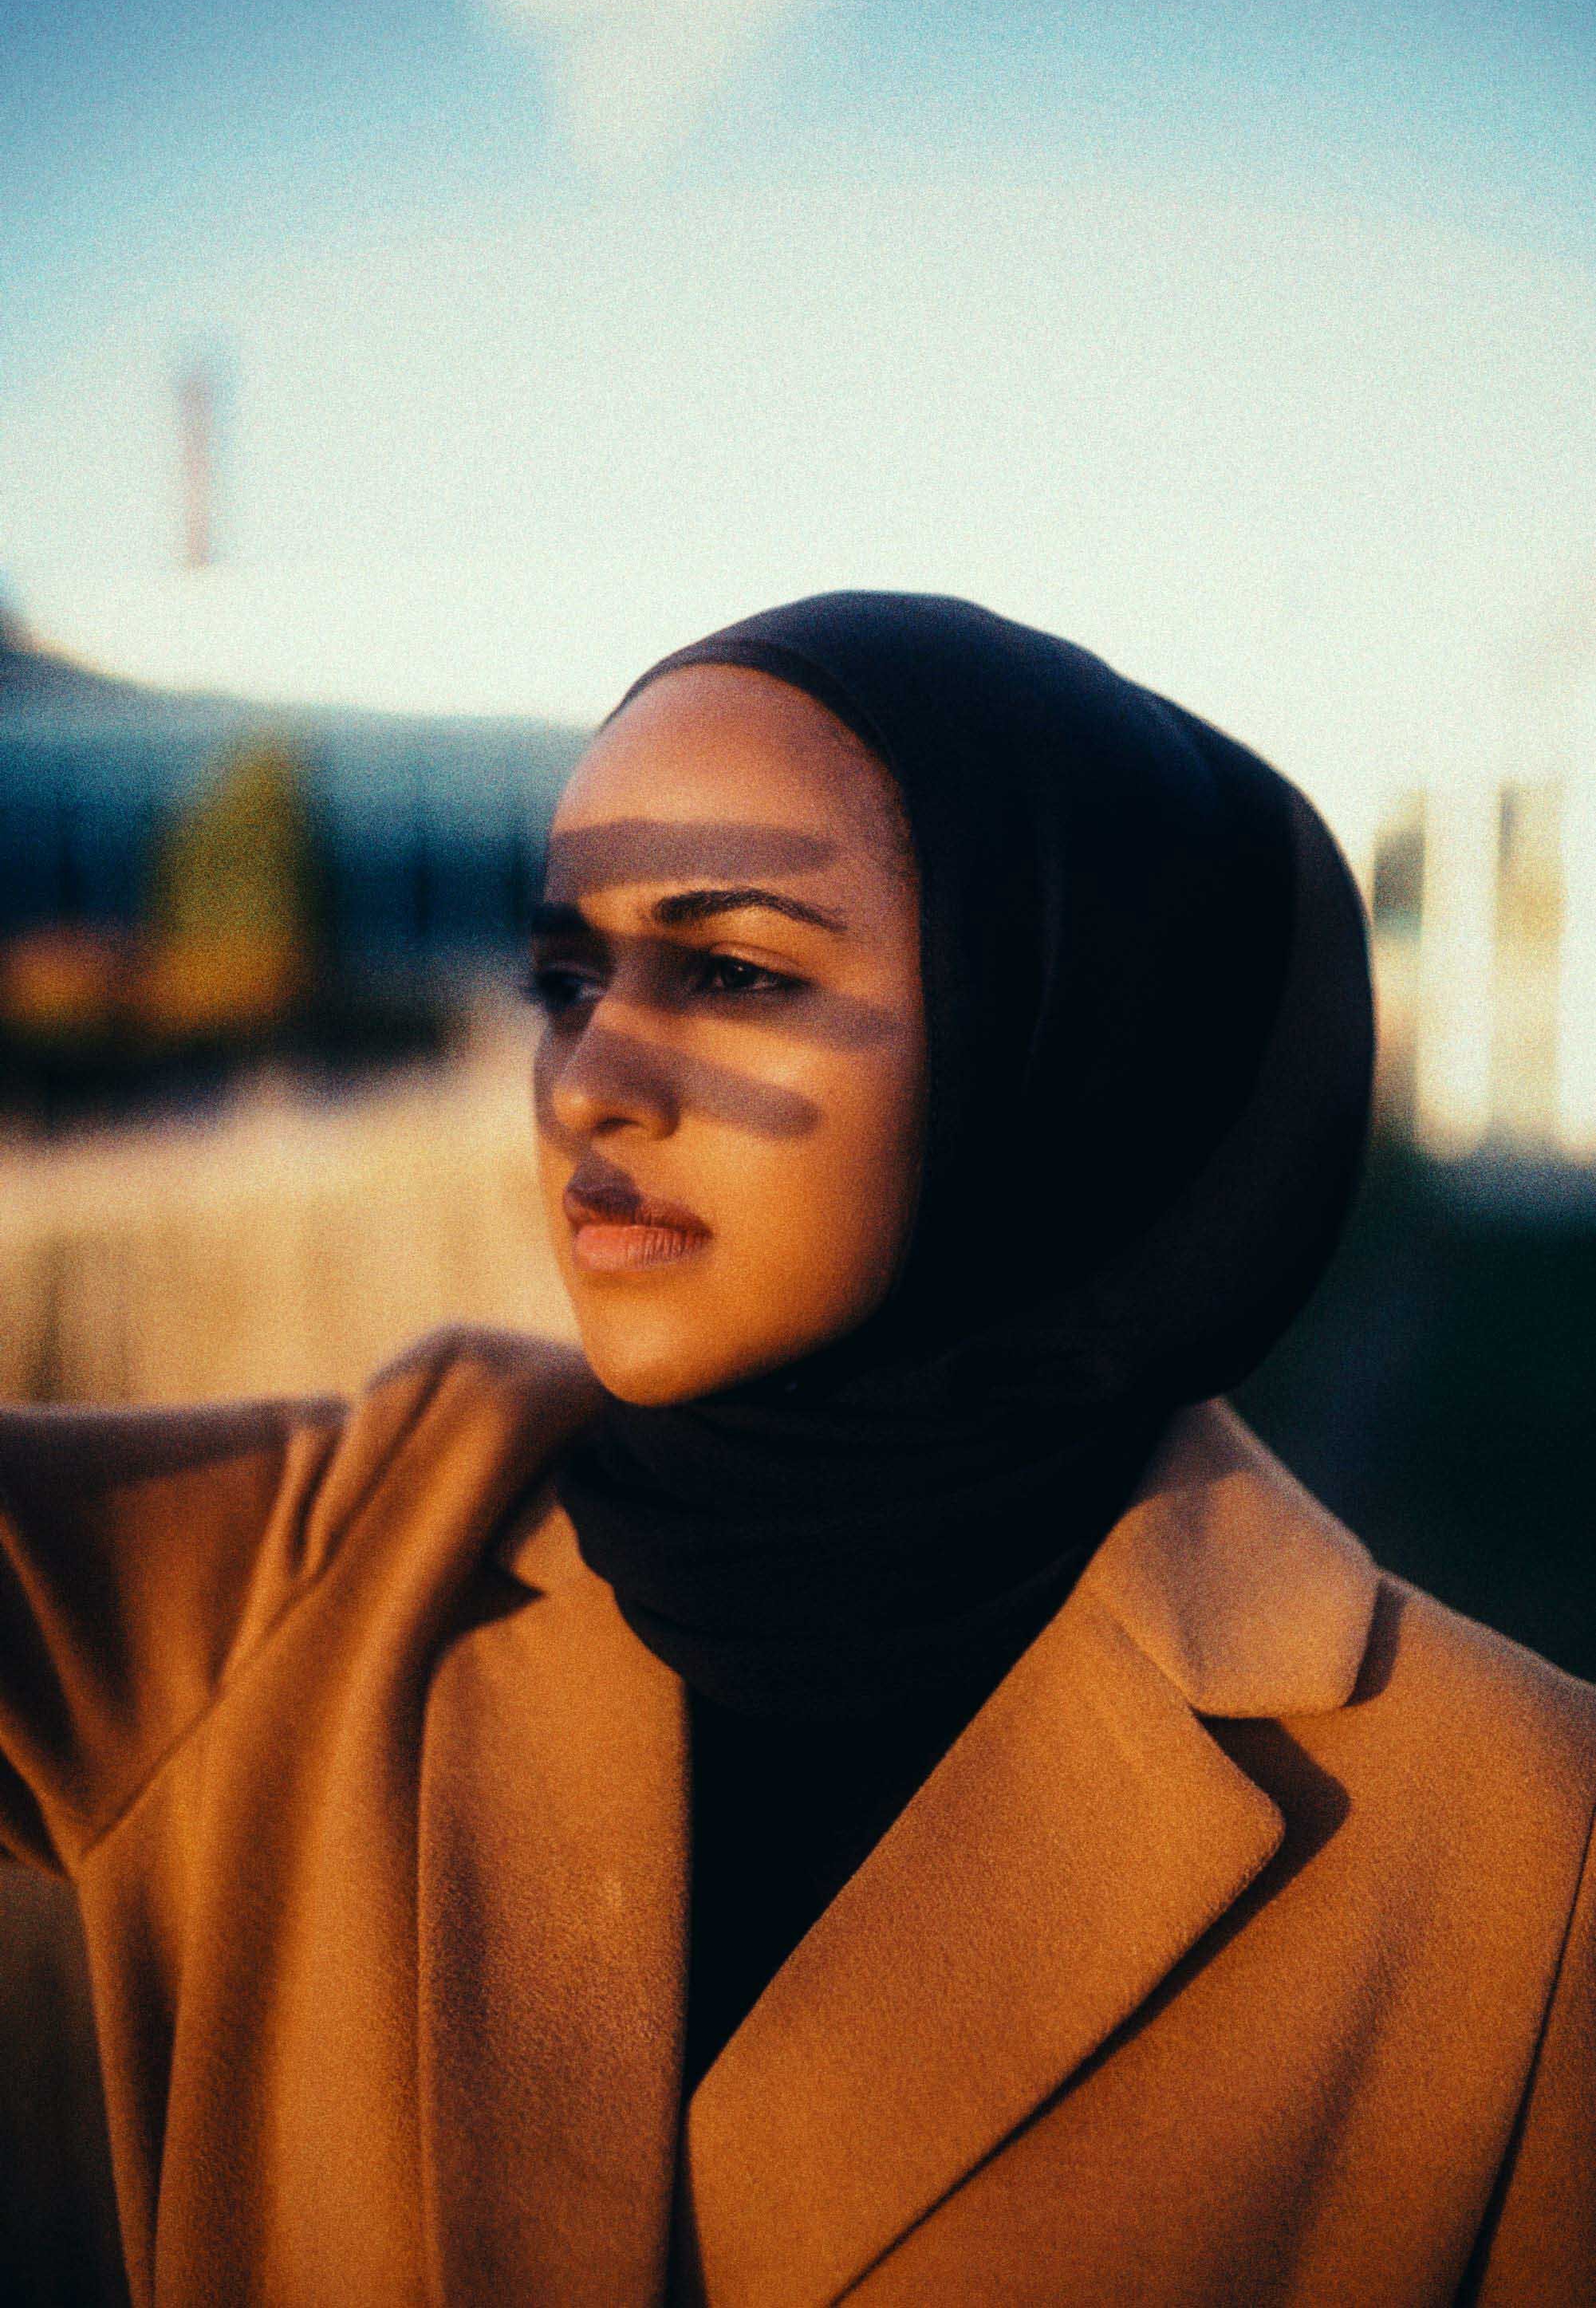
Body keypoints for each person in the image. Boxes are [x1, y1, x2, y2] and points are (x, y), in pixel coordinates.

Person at [0, 592, 1591, 2308]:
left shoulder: (1522, 1856)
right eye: (563, 976)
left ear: (1056, 1031)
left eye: (733, 970)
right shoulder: (331, 1558)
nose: (586, 1080)